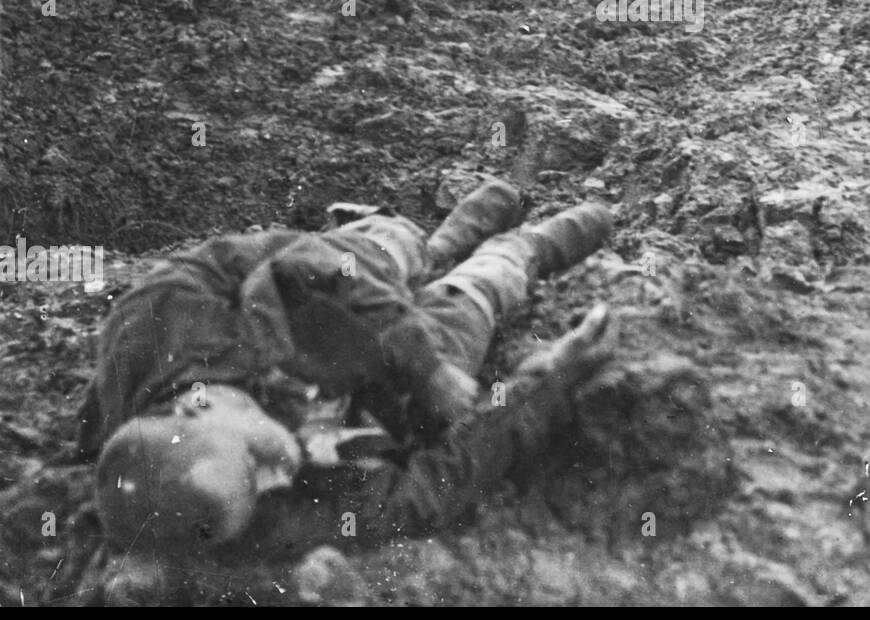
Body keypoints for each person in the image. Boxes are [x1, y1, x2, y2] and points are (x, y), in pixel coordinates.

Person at [79, 179, 619, 555]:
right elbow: (427, 492)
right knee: (479, 290)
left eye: (254, 463)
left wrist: (420, 360)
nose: (278, 480)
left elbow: (301, 259)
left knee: (389, 246)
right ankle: (520, 247)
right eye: (259, 495)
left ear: (196, 403)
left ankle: (431, 246)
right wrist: (548, 381)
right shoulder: (253, 515)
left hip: (321, 283)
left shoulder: (153, 321)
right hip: (368, 389)